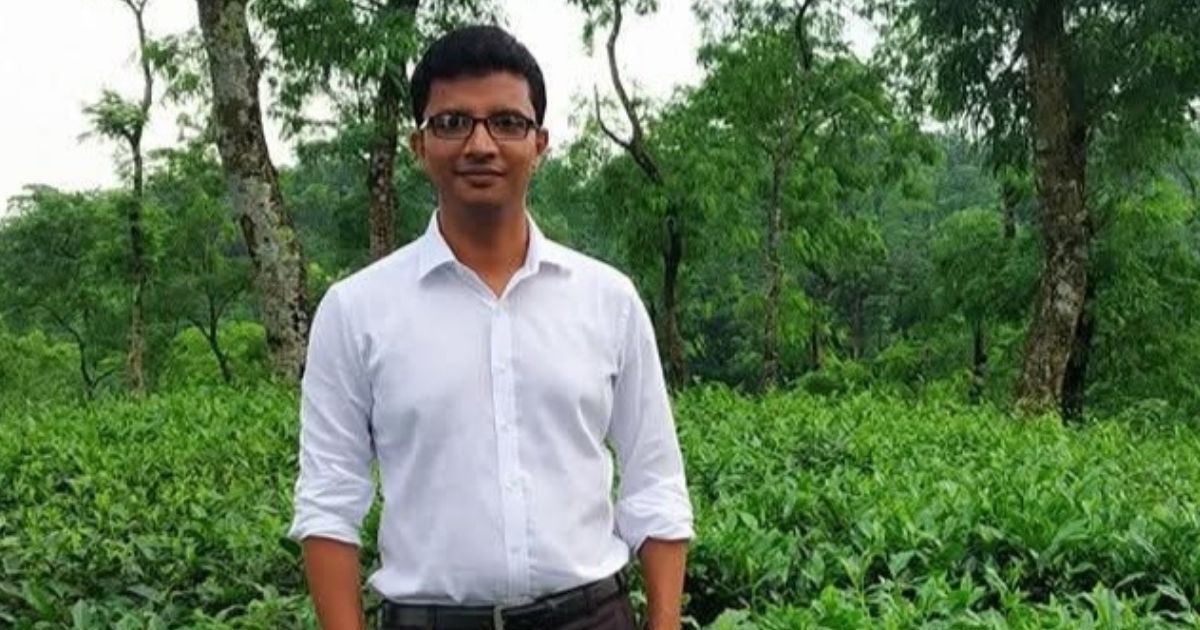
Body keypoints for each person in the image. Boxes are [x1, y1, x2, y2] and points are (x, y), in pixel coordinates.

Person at [287, 24, 694, 630]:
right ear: (419, 145)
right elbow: (328, 502)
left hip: (591, 617)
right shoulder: (356, 311)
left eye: (507, 123)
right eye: (453, 123)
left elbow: (654, 484)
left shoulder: (608, 300)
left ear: (540, 143)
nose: (480, 145)